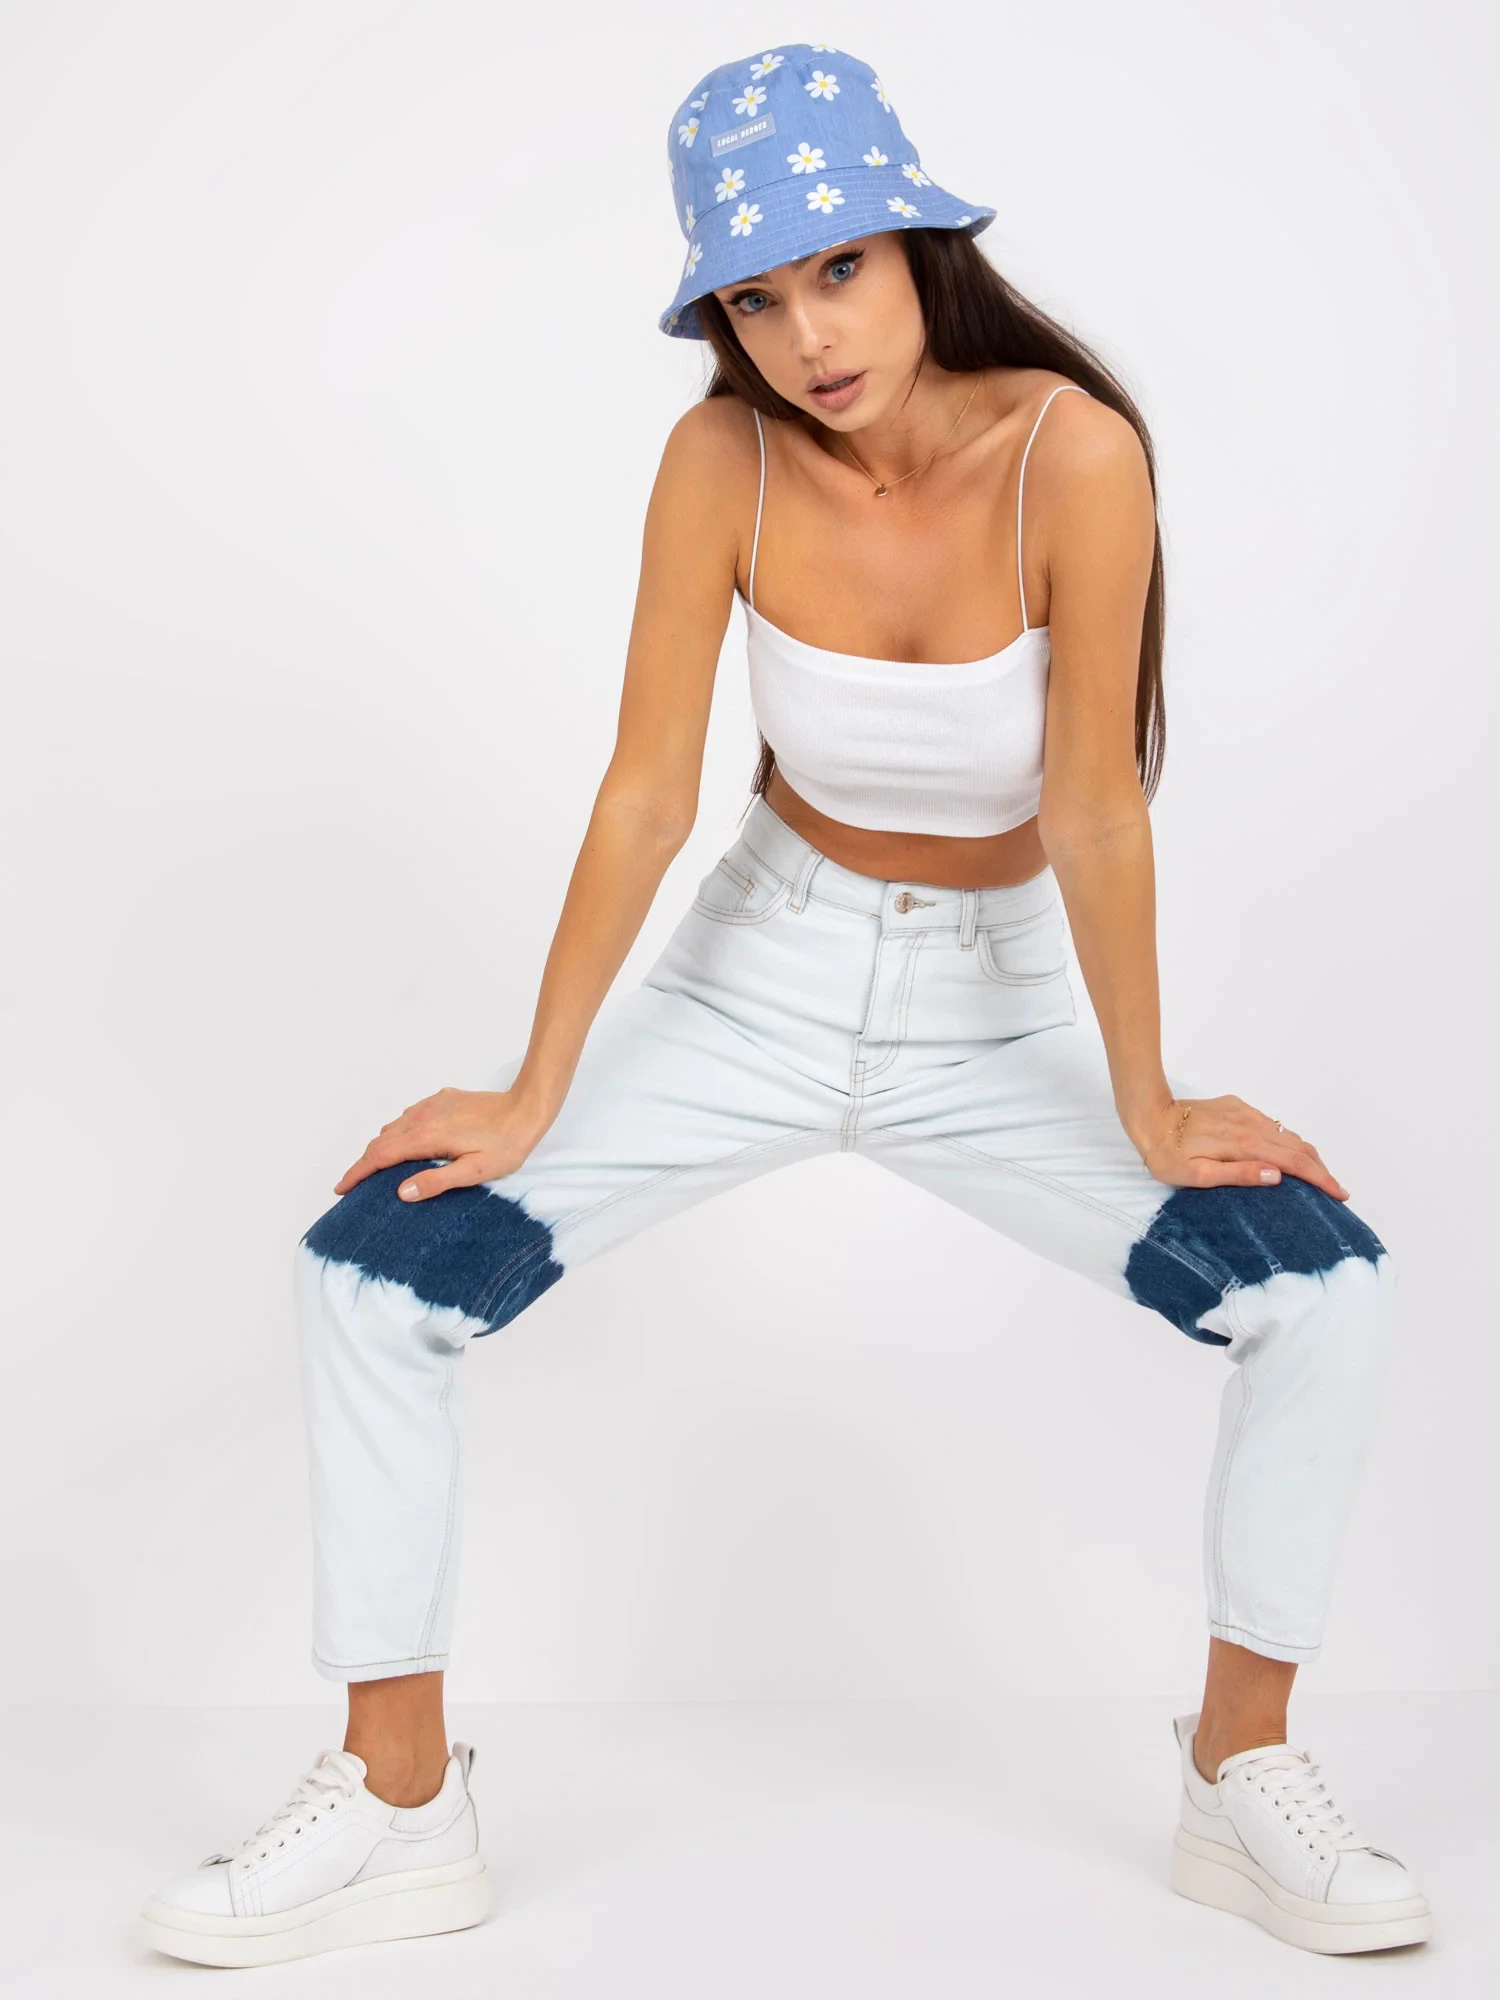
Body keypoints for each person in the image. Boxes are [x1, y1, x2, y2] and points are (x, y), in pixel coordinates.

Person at [140, 41, 1432, 1968]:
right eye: (754, 298)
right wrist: (532, 1087)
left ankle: (1241, 1771)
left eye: (838, 268)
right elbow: (647, 793)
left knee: (1326, 1292)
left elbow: (1093, 807)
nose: (808, 334)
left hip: (999, 1010)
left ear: (917, 247)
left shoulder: (1071, 454)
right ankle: (401, 1803)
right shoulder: (721, 465)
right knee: (371, 1273)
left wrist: (1150, 1099)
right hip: (757, 971)